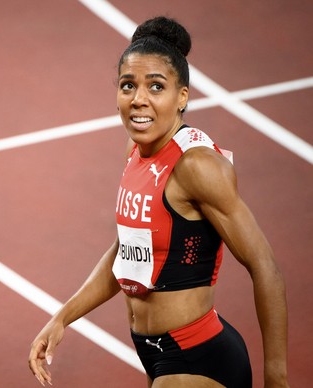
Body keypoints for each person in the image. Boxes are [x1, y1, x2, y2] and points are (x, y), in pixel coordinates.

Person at [28, 16, 288, 388]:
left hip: (199, 358)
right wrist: (62, 318)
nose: (139, 99)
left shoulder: (196, 165)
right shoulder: (136, 149)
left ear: (182, 96)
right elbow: (126, 250)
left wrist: (277, 377)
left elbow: (266, 266)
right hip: (153, 353)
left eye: (156, 87)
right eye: (128, 85)